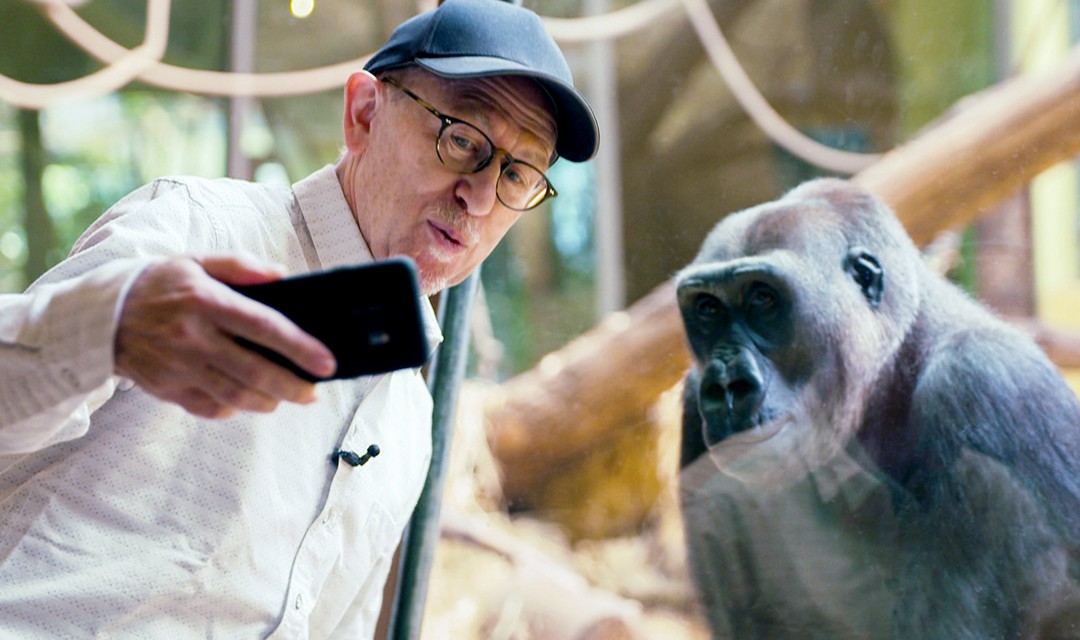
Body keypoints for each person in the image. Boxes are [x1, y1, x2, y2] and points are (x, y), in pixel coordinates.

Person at [0, 0, 598, 637]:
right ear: (363, 114)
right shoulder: (196, 231)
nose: (480, 196)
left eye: (518, 174)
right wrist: (110, 330)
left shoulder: (408, 419)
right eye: (462, 141)